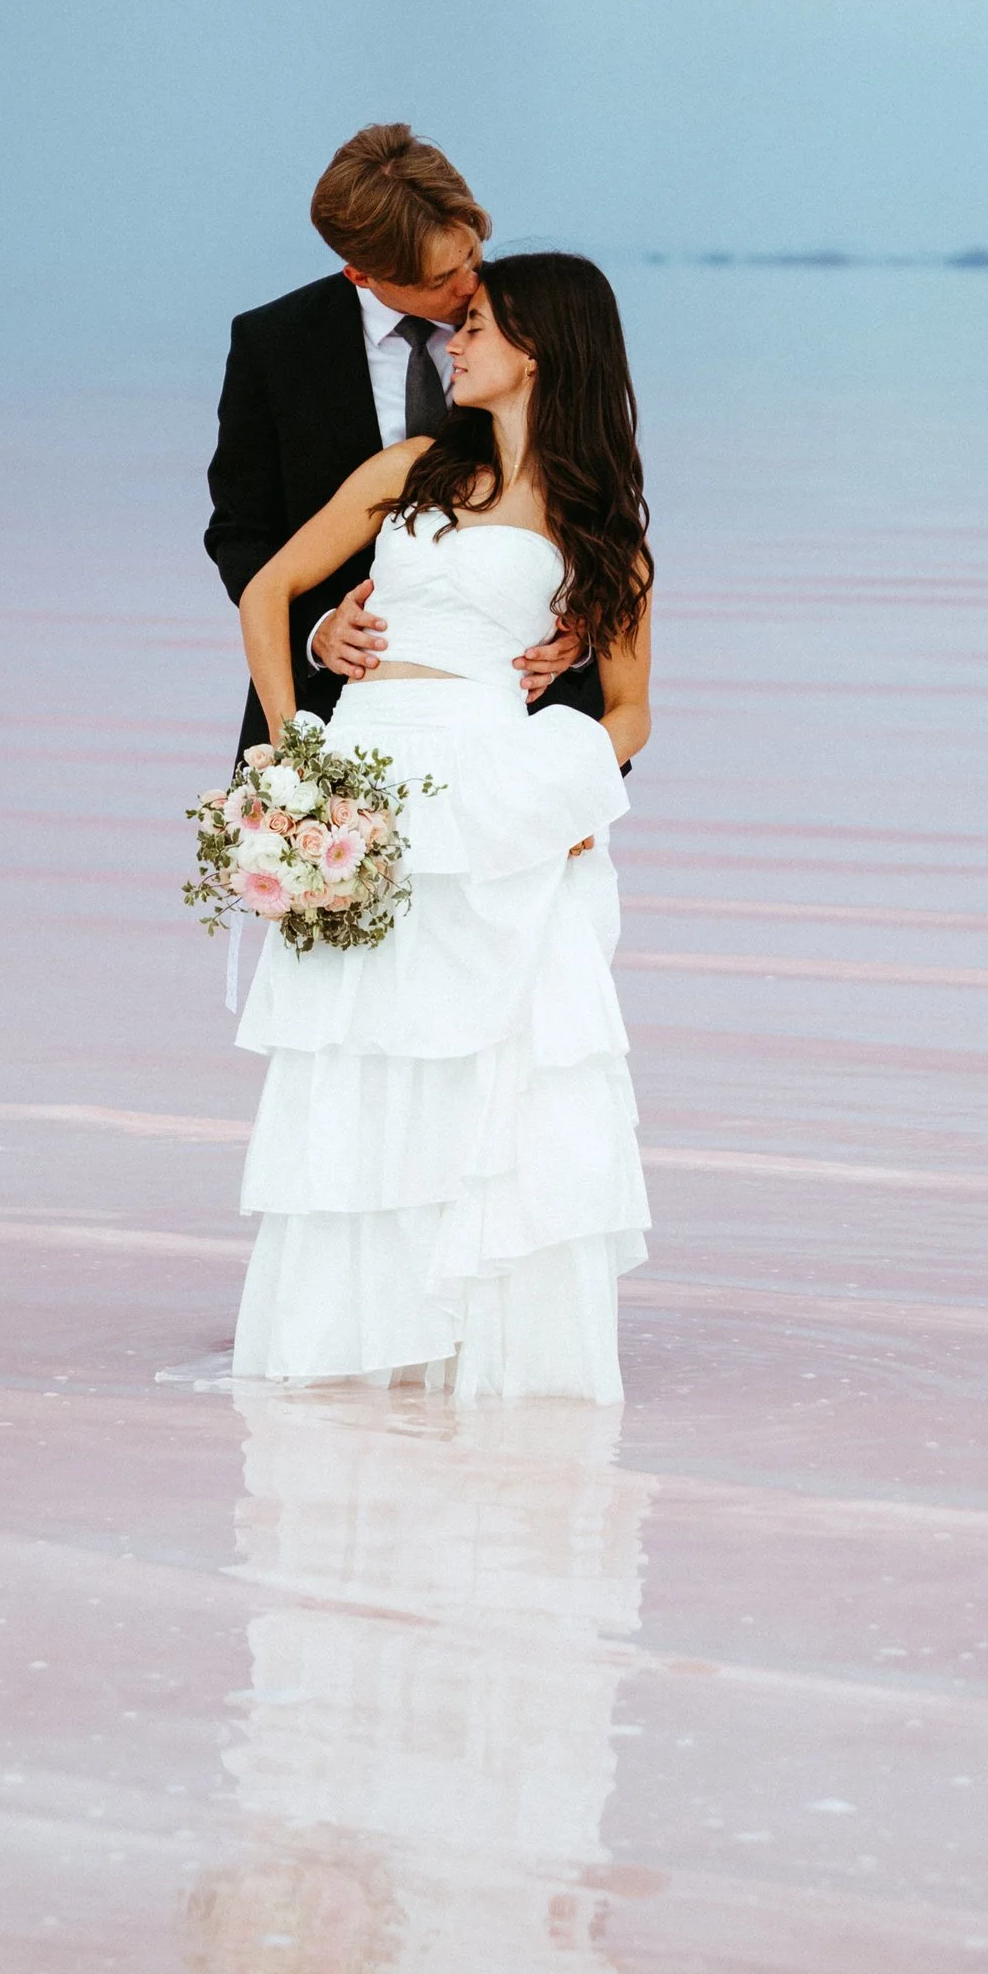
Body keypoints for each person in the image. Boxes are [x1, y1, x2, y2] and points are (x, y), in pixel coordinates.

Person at [227, 250, 652, 1402]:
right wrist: (292, 757)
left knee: (489, 1066)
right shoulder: (408, 466)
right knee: (357, 1056)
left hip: (491, 799)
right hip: (366, 777)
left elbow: (627, 712)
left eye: (476, 328)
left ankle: (474, 1343)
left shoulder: (595, 515)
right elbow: (270, 589)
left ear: (540, 349)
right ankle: (350, 1346)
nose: (450, 344)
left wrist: (560, 787)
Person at [204, 122, 595, 764]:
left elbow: (588, 507)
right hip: (330, 709)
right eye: (445, 276)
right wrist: (318, 629)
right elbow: (242, 534)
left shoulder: (531, 325)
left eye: (473, 255)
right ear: (362, 274)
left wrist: (574, 630)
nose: (471, 287)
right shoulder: (273, 347)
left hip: (516, 724)